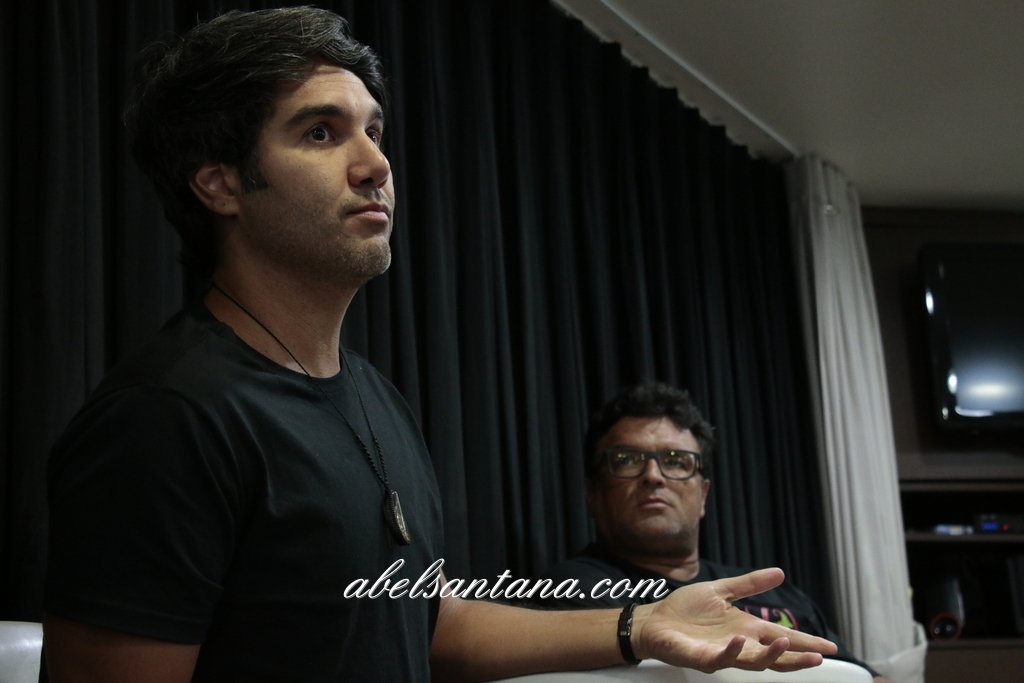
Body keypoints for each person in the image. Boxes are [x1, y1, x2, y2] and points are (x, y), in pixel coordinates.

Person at [42, 8, 837, 682]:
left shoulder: (374, 396)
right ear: (218, 183)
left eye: (374, 131)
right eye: (320, 133)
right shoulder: (167, 417)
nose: (375, 164)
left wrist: (641, 623)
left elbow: (422, 623)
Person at [528, 381, 890, 682]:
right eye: (626, 460)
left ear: (703, 495)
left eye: (676, 461)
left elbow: (867, 677)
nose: (653, 476)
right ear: (592, 494)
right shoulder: (569, 592)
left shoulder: (779, 594)